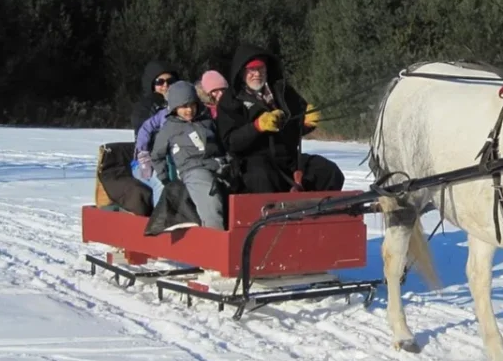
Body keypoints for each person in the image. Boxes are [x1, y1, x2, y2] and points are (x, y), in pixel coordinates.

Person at [217, 43, 344, 194]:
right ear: (241, 71)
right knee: (262, 178)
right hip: (253, 162)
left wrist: (307, 123)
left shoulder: (282, 90)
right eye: (252, 69)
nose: (257, 74)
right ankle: (274, 216)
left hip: (288, 159)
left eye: (261, 68)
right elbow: (231, 142)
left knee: (329, 172)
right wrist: (257, 126)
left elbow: (296, 124)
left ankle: (318, 213)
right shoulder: (230, 100)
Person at [150, 80, 225, 229]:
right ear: (174, 107)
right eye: (184, 106)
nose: (189, 110)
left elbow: (219, 143)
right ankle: (214, 239)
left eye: (192, 105)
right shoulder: (169, 128)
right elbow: (157, 155)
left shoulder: (206, 121)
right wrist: (165, 178)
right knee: (211, 200)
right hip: (192, 170)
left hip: (216, 164)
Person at [131, 60, 178, 205]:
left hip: (177, 158)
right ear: (152, 84)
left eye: (170, 81)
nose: (165, 85)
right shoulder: (144, 107)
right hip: (146, 162)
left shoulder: (182, 104)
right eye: (160, 81)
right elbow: (143, 135)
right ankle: (160, 223)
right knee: (162, 182)